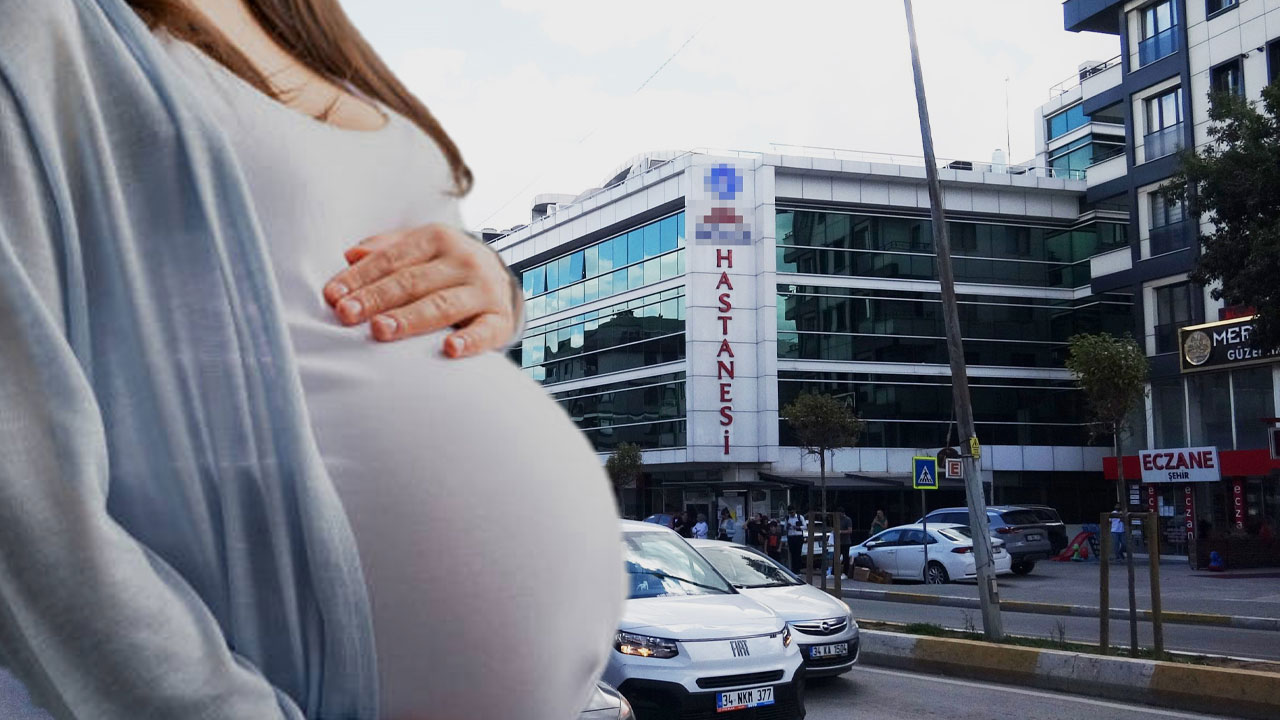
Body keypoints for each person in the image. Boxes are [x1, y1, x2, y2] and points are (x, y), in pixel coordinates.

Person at [0, 3, 622, 719]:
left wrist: (496, 287)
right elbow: (23, 495)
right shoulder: (44, 21)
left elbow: (382, 267)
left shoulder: (318, 34)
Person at [786, 506, 808, 572]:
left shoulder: (800, 517)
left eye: (792, 512)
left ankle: (798, 570)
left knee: (798, 553)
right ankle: (794, 569)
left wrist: (797, 527)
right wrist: (788, 526)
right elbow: (785, 528)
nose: (791, 514)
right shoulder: (787, 518)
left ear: (795, 511)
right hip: (791, 537)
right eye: (790, 513)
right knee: (792, 553)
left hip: (798, 537)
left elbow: (805, 526)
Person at [837, 507, 854, 573]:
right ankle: (833, 572)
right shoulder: (838, 519)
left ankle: (845, 573)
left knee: (845, 557)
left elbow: (850, 531)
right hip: (839, 541)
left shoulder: (848, 519)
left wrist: (841, 532)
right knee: (835, 557)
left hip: (846, 541)